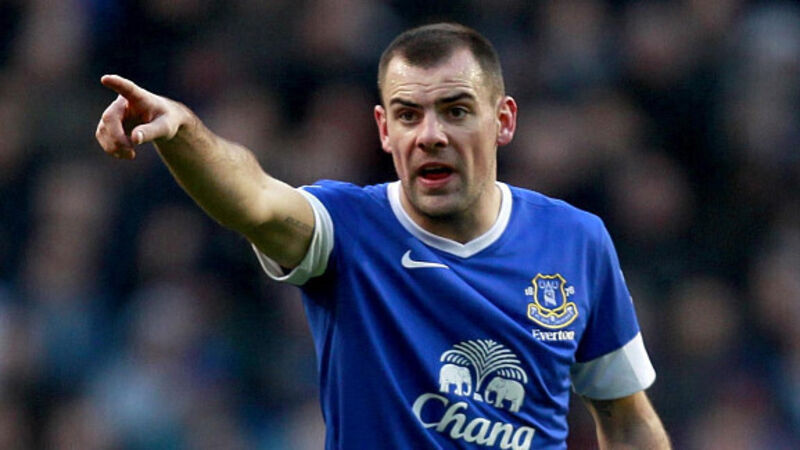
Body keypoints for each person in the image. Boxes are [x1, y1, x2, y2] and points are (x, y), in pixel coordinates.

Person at [95, 22, 670, 450]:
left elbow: (627, 419)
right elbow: (257, 202)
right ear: (384, 130)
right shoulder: (347, 228)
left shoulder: (576, 240)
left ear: (503, 120)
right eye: (409, 115)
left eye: (455, 111)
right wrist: (183, 132)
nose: (431, 135)